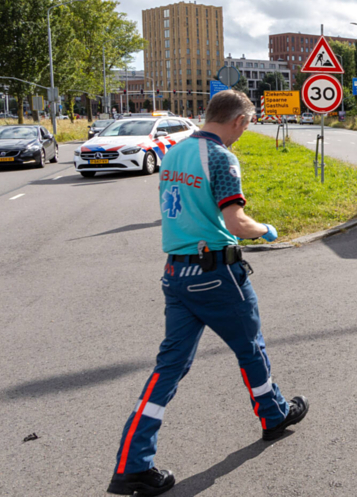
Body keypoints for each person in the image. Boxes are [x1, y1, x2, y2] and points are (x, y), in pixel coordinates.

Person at [107, 90, 309, 496]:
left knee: (169, 368)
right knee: (250, 347)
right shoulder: (220, 157)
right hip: (215, 273)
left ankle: (133, 463)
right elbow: (235, 221)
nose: (243, 132)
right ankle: (272, 415)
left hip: (176, 274)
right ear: (237, 120)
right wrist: (266, 230)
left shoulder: (175, 151)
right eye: (247, 125)